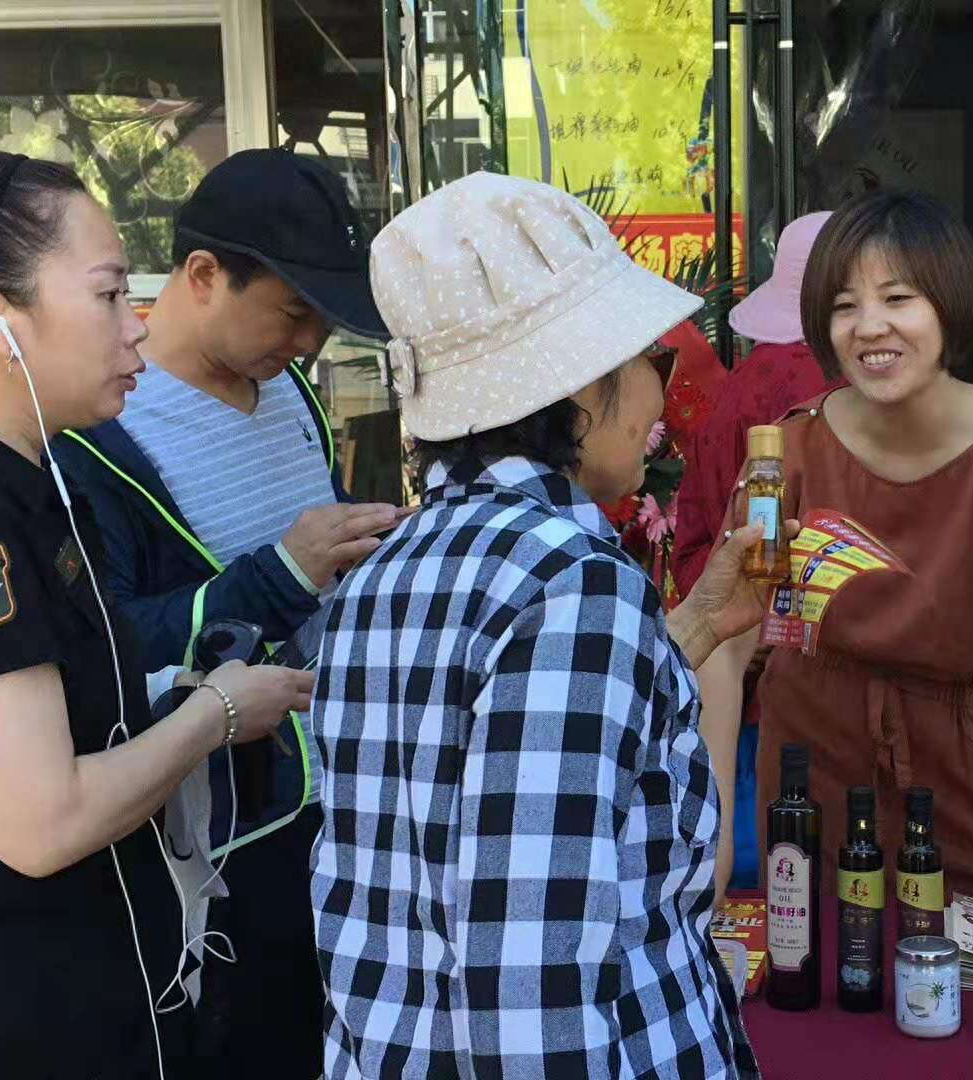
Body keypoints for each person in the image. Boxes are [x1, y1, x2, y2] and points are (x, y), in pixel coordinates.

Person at [0, 123, 312, 1078]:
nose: (137, 322)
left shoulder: (27, 477)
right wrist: (219, 713)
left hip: (108, 999)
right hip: (17, 1026)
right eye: (105, 294)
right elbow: (43, 820)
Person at [311, 172, 762, 1078]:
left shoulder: (385, 574)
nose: (660, 400)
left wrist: (699, 625)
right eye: (651, 361)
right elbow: (531, 987)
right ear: (579, 384)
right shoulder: (573, 587)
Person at [53, 149, 406, 1078]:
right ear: (204, 277)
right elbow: (109, 649)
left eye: (325, 324)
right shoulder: (99, 435)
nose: (310, 345)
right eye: (294, 314)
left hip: (335, 808)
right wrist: (284, 572)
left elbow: (316, 567)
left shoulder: (292, 394)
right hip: (219, 850)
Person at [714, 191, 973, 903]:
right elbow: (724, 643)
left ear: (948, 303)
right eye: (843, 306)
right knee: (820, 986)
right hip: (815, 774)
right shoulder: (789, 450)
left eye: (897, 298)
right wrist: (710, 852)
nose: (869, 327)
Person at [675, 210, 839, 896]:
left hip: (742, 659)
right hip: (846, 680)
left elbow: (701, 526)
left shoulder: (743, 388)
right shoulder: (869, 398)